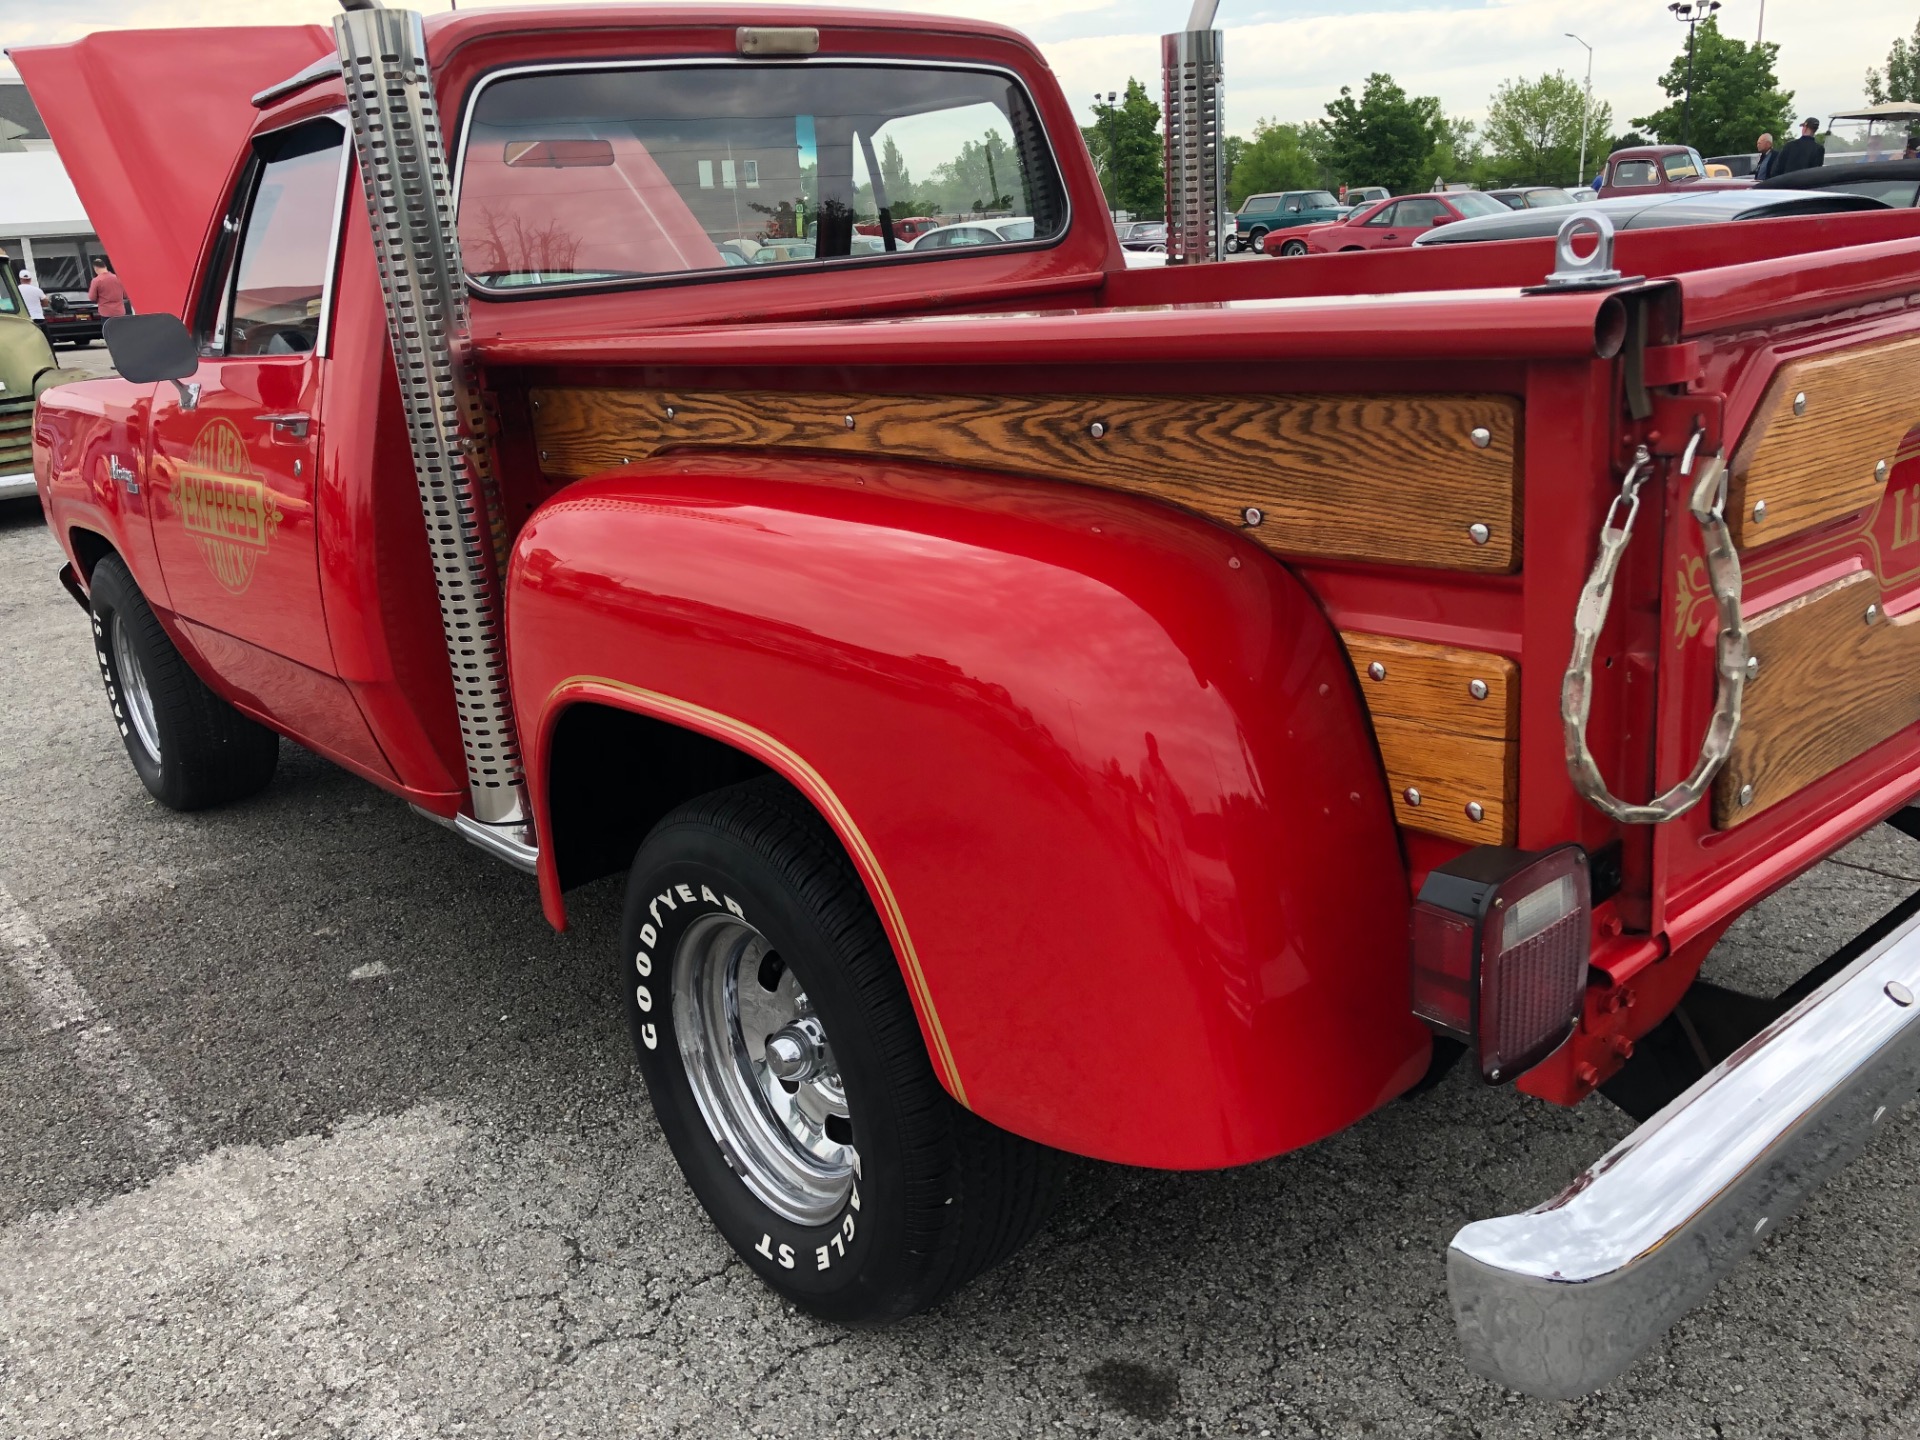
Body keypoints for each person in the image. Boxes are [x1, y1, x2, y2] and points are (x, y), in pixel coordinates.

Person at [87, 256, 129, 321]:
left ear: (96, 268)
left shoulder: (96, 281)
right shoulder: (118, 278)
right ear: (105, 267)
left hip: (106, 313)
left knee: (108, 330)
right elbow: (125, 295)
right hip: (120, 312)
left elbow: (92, 297)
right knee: (120, 330)